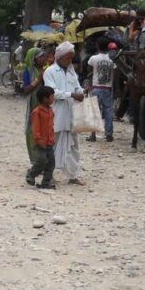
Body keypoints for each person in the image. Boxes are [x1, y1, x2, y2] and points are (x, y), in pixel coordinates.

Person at [43, 42, 85, 185]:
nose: (69, 61)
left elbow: (78, 88)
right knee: (52, 145)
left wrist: (82, 92)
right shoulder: (50, 72)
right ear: (59, 57)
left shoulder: (72, 72)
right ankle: (49, 175)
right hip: (57, 114)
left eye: (71, 58)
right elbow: (52, 92)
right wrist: (72, 94)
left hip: (71, 114)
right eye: (67, 58)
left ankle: (73, 176)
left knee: (73, 146)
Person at [22, 45, 52, 164]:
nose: (43, 58)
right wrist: (38, 80)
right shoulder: (28, 71)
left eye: (44, 56)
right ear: (34, 59)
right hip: (34, 103)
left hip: (46, 103)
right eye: (40, 57)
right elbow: (26, 90)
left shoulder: (48, 70)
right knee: (34, 129)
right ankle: (35, 159)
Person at [26, 86, 57, 189]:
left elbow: (51, 126)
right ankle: (31, 174)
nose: (53, 99)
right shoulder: (37, 112)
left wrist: (52, 138)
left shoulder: (50, 111)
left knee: (51, 163)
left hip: (49, 142)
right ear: (45, 98)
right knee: (42, 161)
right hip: (41, 142)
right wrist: (39, 140)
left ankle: (45, 182)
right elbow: (35, 128)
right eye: (52, 97)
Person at [86, 41, 116, 142]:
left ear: (98, 46)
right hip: (107, 89)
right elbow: (114, 74)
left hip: (96, 88)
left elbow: (88, 70)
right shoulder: (111, 60)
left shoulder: (93, 58)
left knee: (95, 112)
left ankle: (93, 135)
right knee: (108, 112)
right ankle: (109, 134)